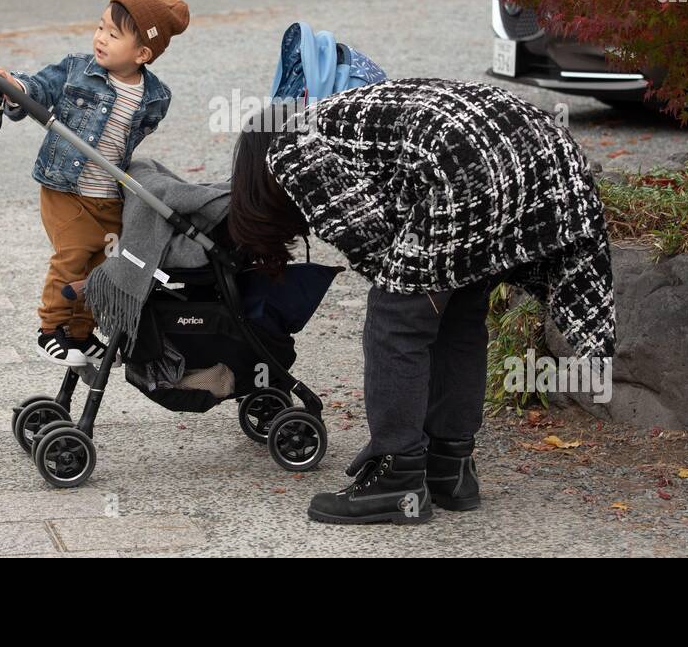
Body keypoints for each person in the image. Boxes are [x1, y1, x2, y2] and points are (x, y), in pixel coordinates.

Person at [227, 79, 617, 524]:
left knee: (396, 318)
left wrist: (402, 295)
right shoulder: (337, 117)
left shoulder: (291, 146)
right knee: (459, 310)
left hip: (473, 162)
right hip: (542, 147)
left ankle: (397, 478)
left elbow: (369, 237)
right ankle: (450, 470)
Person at [0, 0, 189, 368]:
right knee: (73, 256)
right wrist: (14, 87)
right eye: (100, 27)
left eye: (113, 35)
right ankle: (50, 329)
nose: (100, 38)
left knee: (100, 266)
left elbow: (140, 131)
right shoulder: (78, 70)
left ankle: (79, 333)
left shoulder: (155, 96)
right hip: (66, 189)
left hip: (109, 195)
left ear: (142, 54)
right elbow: (38, 88)